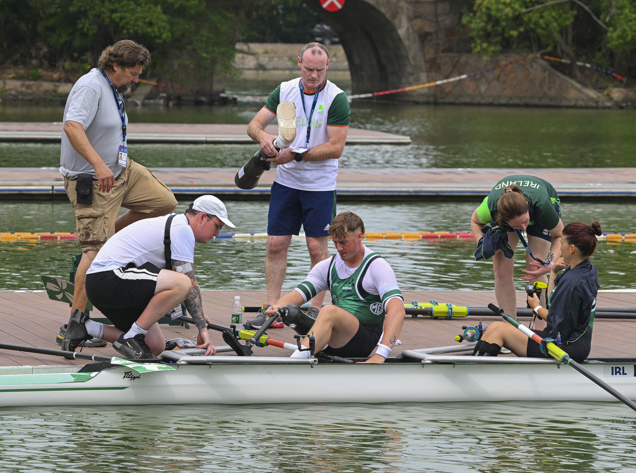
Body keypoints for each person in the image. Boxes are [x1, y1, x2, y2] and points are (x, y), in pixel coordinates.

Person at [59, 39, 178, 350]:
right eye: (134, 74)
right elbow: (72, 127)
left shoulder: (113, 88)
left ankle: (112, 233)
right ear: (115, 66)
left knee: (165, 203)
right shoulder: (90, 86)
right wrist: (99, 165)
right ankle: (74, 324)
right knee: (94, 252)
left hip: (122, 171)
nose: (136, 79)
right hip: (93, 178)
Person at [244, 41, 350, 328]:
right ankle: (272, 308)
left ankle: (315, 309)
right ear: (299, 63)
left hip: (320, 186)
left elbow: (336, 148)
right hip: (286, 183)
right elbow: (254, 124)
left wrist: (297, 154)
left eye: (319, 70)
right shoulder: (285, 89)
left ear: (328, 66)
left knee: (317, 248)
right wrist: (262, 138)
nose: (314, 75)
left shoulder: (336, 98)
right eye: (309, 68)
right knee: (276, 244)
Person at [64, 195, 236, 360]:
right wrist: (203, 329)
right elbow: (188, 283)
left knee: (155, 346)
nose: (217, 234)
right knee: (183, 283)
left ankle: (85, 327)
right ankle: (132, 337)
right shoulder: (182, 229)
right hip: (107, 278)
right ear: (202, 217)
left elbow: (181, 286)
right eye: (217, 226)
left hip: (108, 285)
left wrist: (199, 316)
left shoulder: (177, 226)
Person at [262, 211, 404, 363]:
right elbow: (299, 293)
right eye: (335, 242)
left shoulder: (377, 266)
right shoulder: (328, 266)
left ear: (359, 236)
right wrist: (276, 308)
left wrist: (381, 354)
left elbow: (397, 310)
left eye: (343, 242)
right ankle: (306, 353)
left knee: (328, 310)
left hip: (363, 340)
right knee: (289, 311)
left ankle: (294, 362)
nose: (339, 248)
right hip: (337, 337)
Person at [472, 221, 602, 363]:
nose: (559, 246)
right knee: (495, 327)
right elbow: (555, 307)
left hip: (564, 347)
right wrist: (553, 273)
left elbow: (556, 322)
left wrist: (537, 307)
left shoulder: (573, 283)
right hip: (574, 342)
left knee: (499, 331)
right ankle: (473, 365)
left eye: (562, 242)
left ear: (571, 248)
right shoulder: (586, 270)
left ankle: (474, 370)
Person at [470, 175, 564, 316]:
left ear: (527, 205)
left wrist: (550, 263)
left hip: (540, 210)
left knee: (536, 265)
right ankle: (510, 324)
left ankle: (543, 325)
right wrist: (482, 243)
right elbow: (475, 221)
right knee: (501, 268)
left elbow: (560, 236)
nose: (523, 228)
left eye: (525, 222)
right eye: (517, 225)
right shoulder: (491, 208)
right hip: (512, 214)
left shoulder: (543, 207)